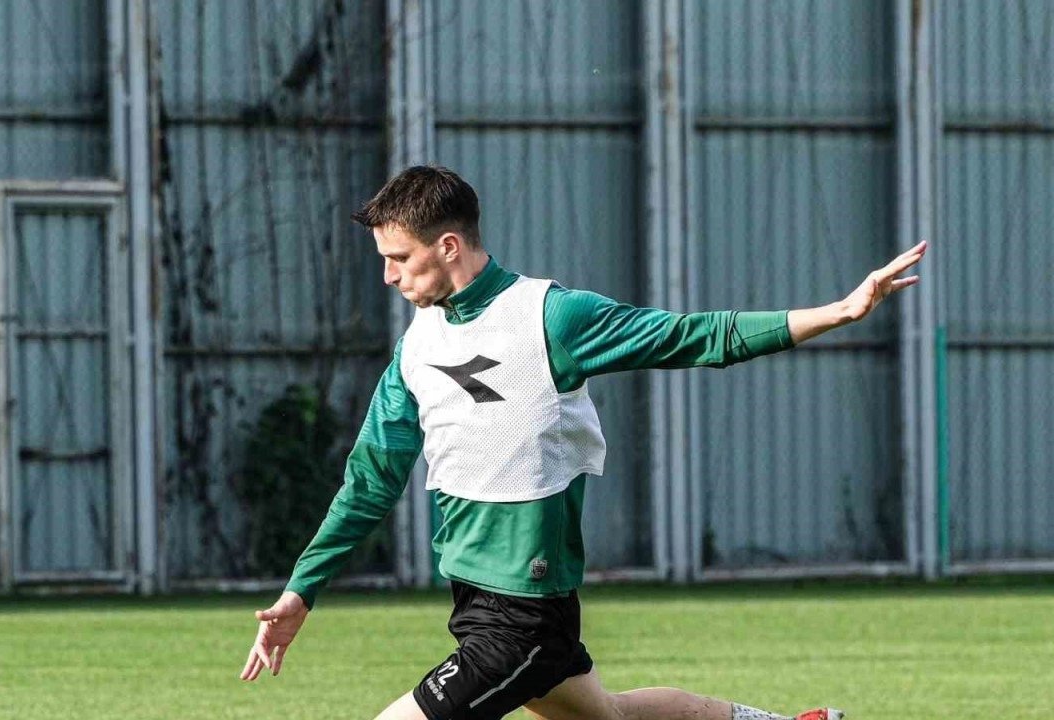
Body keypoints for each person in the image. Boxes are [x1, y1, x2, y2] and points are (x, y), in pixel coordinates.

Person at [239, 165, 926, 720]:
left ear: (447, 246)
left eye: (398, 258)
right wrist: (302, 590)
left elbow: (695, 336)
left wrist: (839, 311)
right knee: (612, 717)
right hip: (474, 599)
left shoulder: (551, 317)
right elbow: (369, 480)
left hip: (523, 610)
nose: (389, 276)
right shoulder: (417, 349)